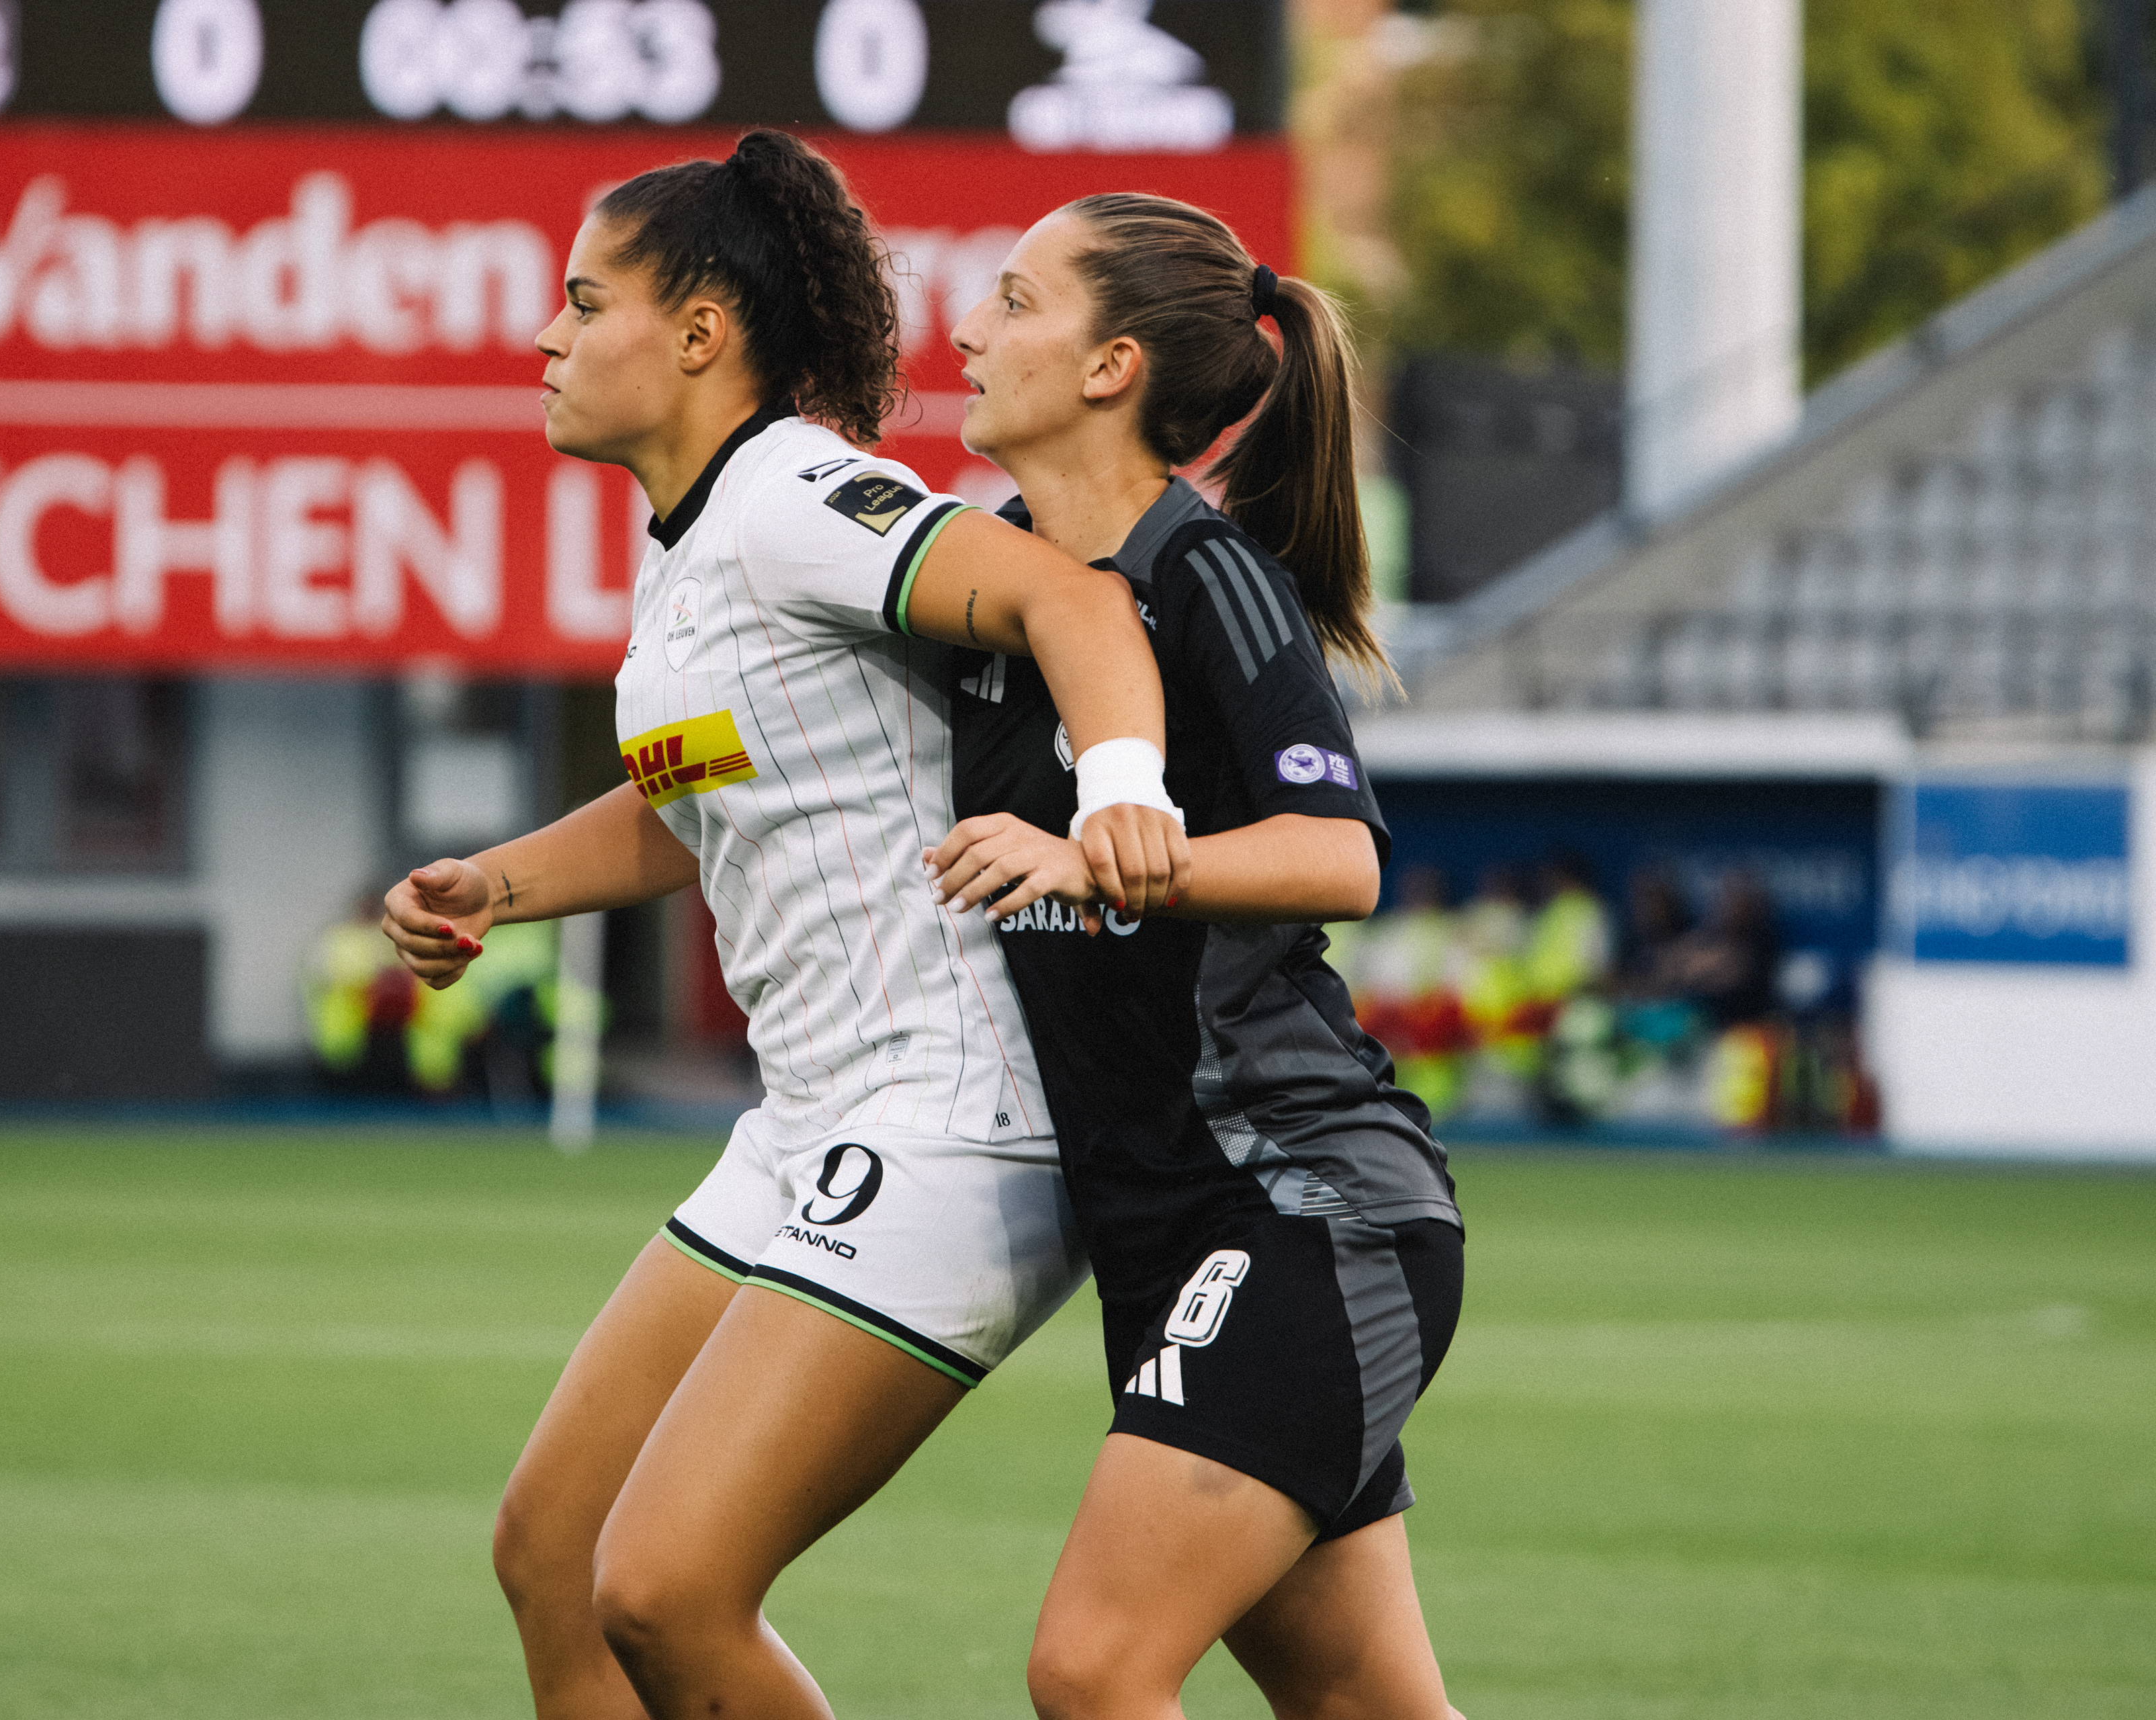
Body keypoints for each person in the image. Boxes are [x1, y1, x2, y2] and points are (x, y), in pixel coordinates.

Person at [380, 132, 1190, 1720]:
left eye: (581, 297)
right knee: (554, 1552)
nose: (545, 336)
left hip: (952, 1121)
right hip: (813, 1124)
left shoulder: (800, 495)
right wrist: (501, 883)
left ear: (698, 332)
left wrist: (1122, 793)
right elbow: (696, 803)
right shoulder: (694, 552)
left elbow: (1073, 603)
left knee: (666, 1588)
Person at [925, 194, 1467, 1719]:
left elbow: (1336, 855)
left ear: (1110, 367)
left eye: (1015, 301)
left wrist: (1095, 851)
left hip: (1307, 1204)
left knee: (1093, 1671)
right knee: (1365, 1701)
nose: (968, 332)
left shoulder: (1205, 573)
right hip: (1169, 1230)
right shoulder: (997, 586)